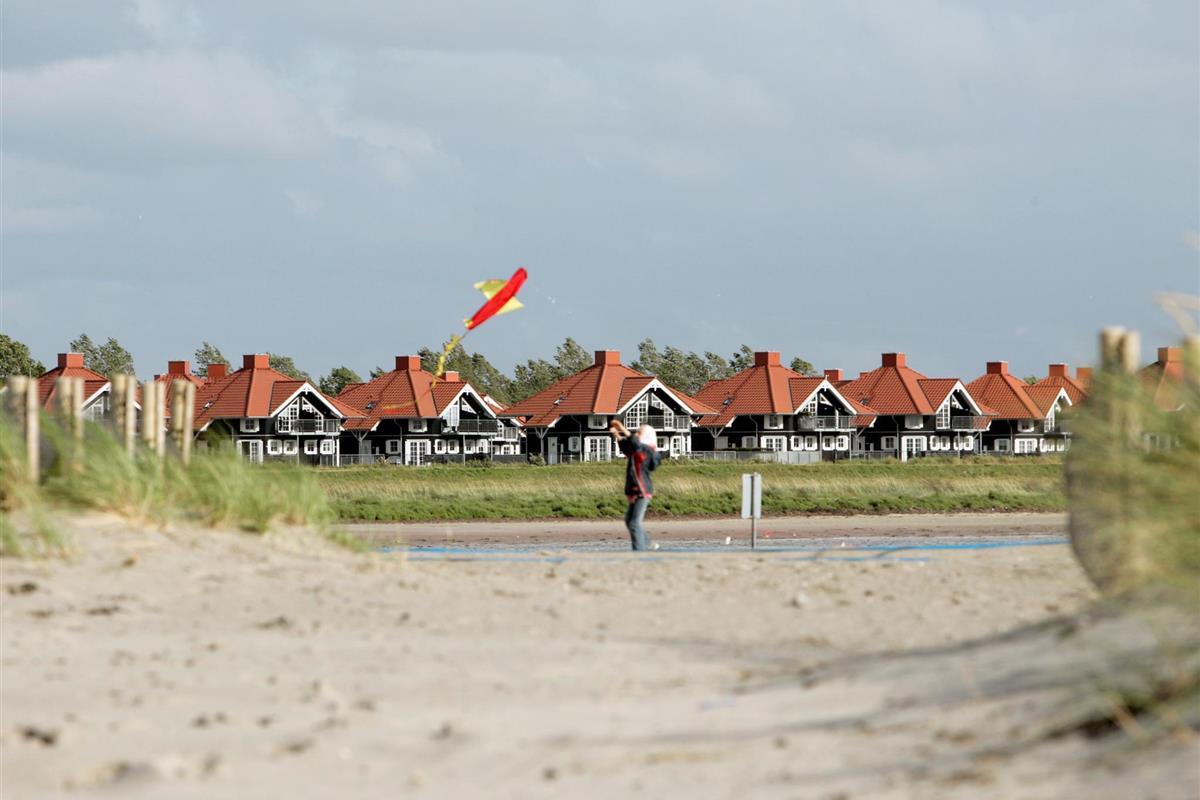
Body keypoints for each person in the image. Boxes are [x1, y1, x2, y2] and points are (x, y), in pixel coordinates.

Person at [609, 419, 662, 551]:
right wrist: (617, 435)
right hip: (634, 489)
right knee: (629, 521)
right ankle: (648, 544)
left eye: (639, 432)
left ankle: (639, 552)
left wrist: (622, 428)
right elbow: (627, 447)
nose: (636, 434)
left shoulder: (648, 450)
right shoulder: (637, 450)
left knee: (634, 523)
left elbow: (635, 444)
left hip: (642, 490)